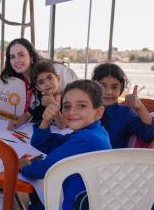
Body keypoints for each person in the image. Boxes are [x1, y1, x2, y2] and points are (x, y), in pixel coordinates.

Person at [19, 80, 112, 210]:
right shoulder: (95, 131)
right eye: (67, 106)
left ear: (98, 112)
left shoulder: (86, 139)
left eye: (81, 105)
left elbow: (44, 169)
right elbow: (44, 143)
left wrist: (24, 167)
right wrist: (46, 120)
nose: (71, 112)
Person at [0, 38, 78, 113]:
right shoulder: (17, 82)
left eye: (21, 55)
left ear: (31, 57)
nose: (16, 60)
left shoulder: (59, 71)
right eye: (12, 57)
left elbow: (79, 99)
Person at [92, 63, 154, 148]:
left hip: (111, 159)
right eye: (102, 86)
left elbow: (149, 135)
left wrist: (140, 107)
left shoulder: (125, 113)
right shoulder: (85, 109)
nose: (108, 92)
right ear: (93, 86)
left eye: (114, 87)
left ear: (121, 89)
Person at [7, 60, 66, 130]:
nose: (47, 84)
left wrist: (52, 104)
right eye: (41, 82)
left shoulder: (67, 98)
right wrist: (16, 124)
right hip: (41, 135)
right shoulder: (40, 99)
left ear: (58, 78)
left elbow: (62, 126)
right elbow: (27, 115)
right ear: (38, 87)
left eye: (50, 78)